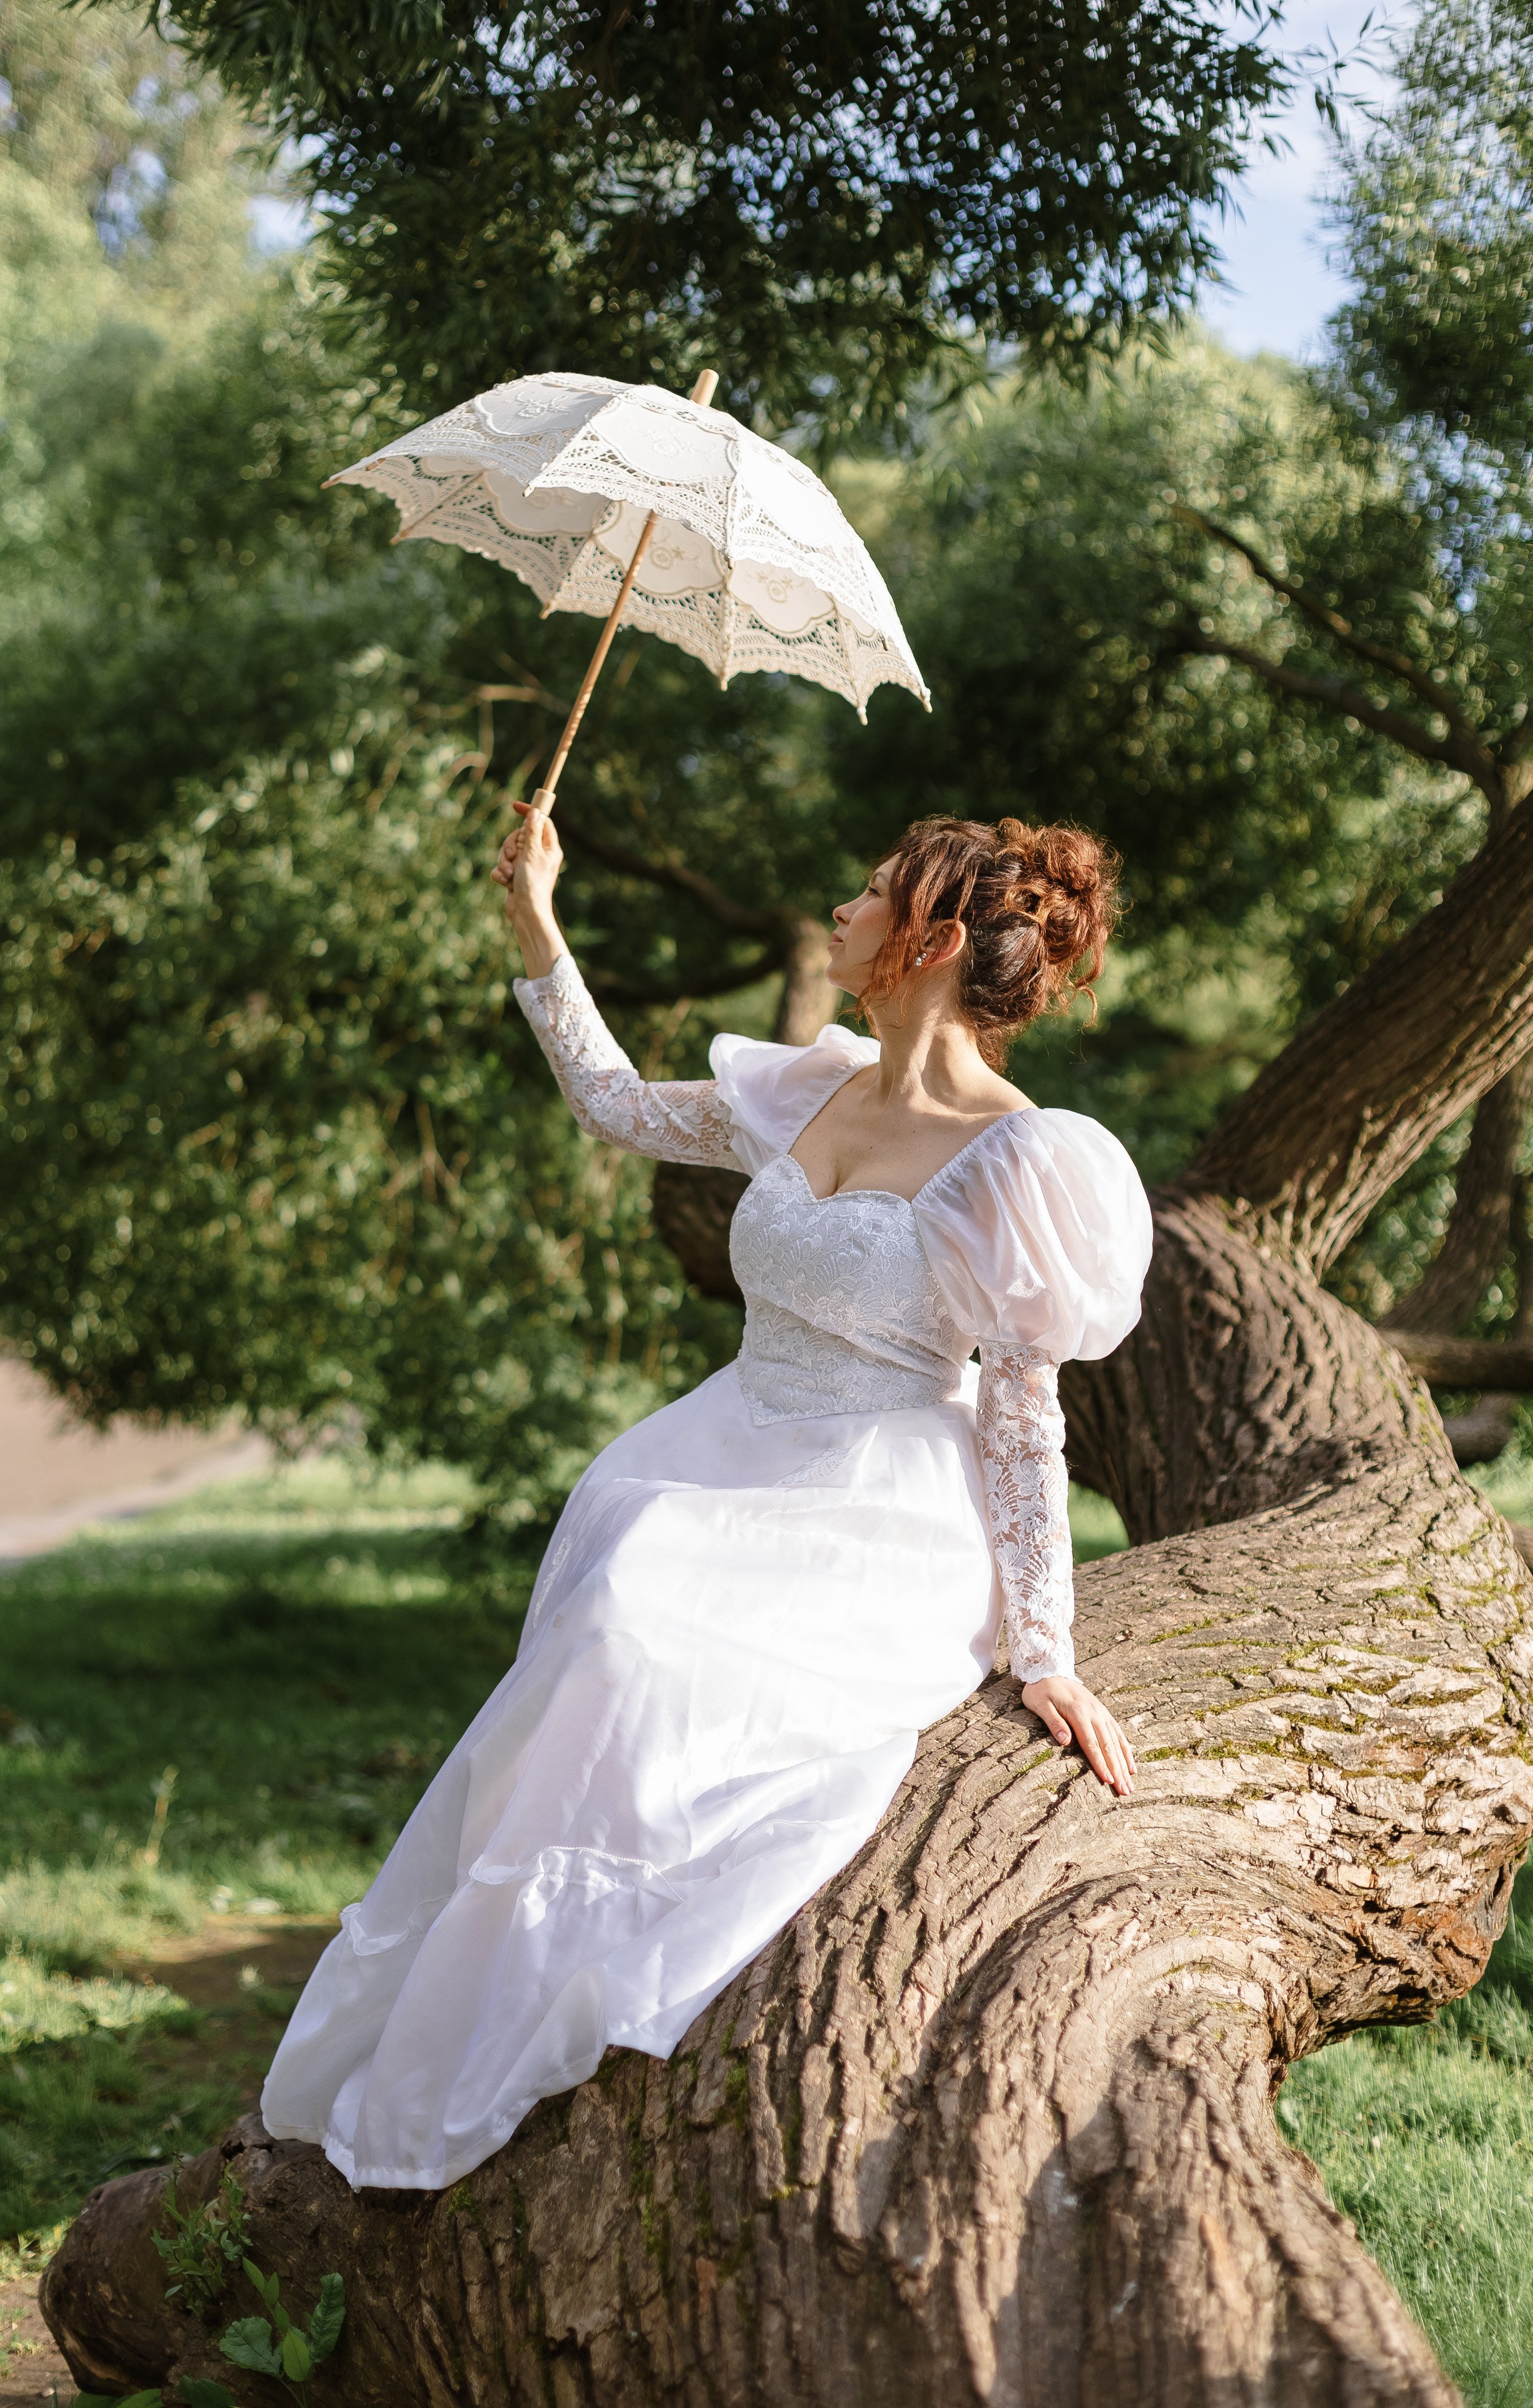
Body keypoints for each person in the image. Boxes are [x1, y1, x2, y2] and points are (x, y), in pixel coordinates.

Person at [261, 808, 1153, 2191]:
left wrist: (1044, 1652)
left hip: (876, 1492)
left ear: (926, 939)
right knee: (619, 1573)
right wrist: (536, 919)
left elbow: (1026, 1418)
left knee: (639, 1636)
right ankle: (471, 2010)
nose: (842, 907)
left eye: (868, 891)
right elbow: (612, 1107)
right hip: (722, 1437)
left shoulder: (1022, 1160)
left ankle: (586, 1999)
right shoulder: (810, 1088)